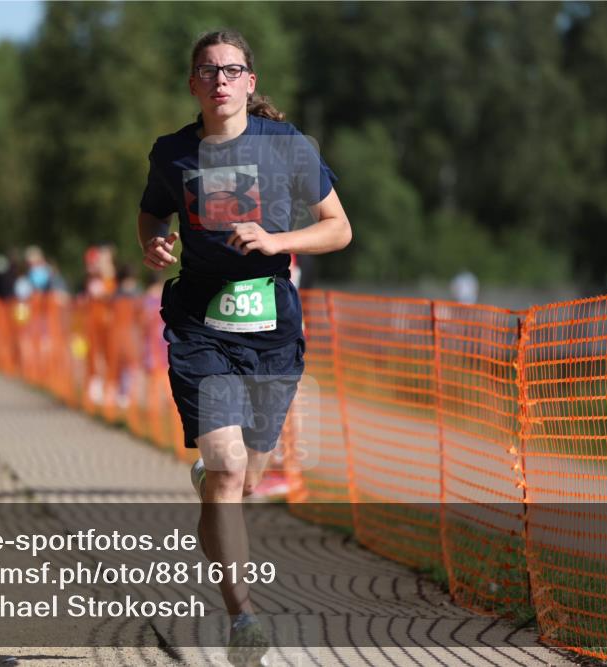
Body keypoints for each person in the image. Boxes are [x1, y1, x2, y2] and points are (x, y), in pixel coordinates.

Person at [137, 29, 351, 666]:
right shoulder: (172, 153)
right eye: (209, 71)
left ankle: (215, 480)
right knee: (230, 470)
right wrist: (151, 240)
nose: (221, 81)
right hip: (200, 326)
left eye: (232, 71)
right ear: (193, 83)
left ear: (250, 83)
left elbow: (338, 228)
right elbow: (152, 213)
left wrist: (280, 242)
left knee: (245, 478)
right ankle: (244, 618)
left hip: (272, 335)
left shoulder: (287, 147)